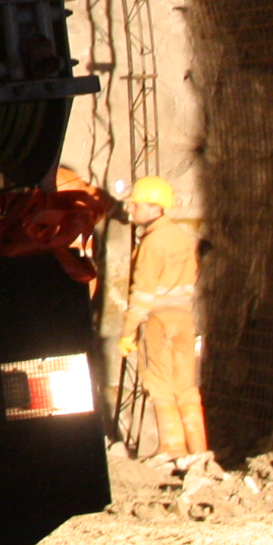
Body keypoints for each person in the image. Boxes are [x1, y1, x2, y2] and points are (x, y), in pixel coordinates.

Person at [117, 176, 208, 462]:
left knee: (159, 385)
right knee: (185, 385)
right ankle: (199, 450)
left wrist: (128, 331)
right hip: (184, 317)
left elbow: (142, 293)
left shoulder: (152, 243)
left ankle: (172, 449)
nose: (130, 210)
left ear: (155, 208)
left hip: (159, 319)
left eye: (136, 205)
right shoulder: (182, 238)